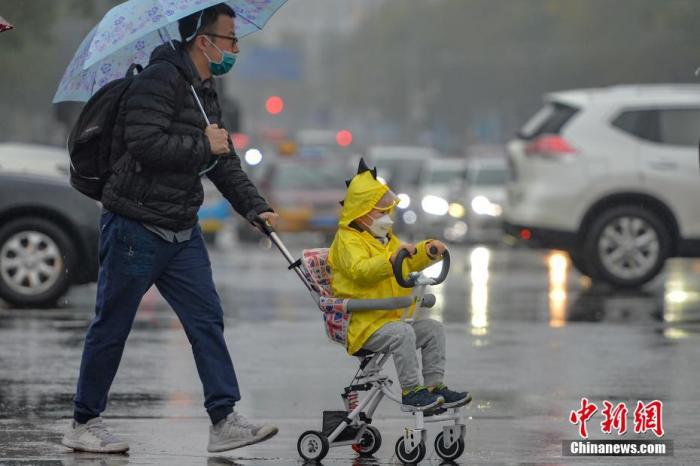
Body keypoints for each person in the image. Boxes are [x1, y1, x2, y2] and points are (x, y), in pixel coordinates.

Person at [62, 4, 279, 454]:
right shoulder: (156, 81)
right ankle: (84, 421)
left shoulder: (206, 89)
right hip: (134, 225)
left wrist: (255, 208)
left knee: (206, 320)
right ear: (203, 41)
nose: (235, 48)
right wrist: (202, 142)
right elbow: (144, 145)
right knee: (112, 326)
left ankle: (224, 420)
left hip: (181, 227)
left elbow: (222, 161)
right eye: (230, 40)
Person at [328, 159, 472, 411]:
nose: (386, 216)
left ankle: (434, 388)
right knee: (403, 333)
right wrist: (391, 259)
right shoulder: (347, 240)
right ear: (362, 212)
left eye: (387, 211)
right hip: (365, 326)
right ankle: (411, 391)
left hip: (391, 320)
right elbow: (360, 271)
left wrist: (427, 251)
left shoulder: (385, 239)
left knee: (433, 329)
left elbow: (407, 260)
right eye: (380, 211)